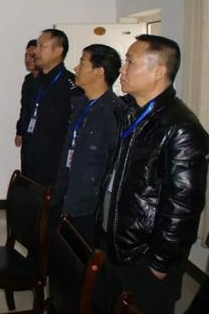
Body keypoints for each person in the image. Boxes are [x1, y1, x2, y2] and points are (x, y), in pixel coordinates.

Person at [99, 34, 209, 313]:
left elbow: (184, 206)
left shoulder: (181, 127)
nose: (122, 69)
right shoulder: (131, 112)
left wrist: (159, 263)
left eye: (130, 62)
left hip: (144, 255)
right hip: (118, 243)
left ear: (158, 71)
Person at [52, 44, 121, 245]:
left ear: (99, 72)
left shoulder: (113, 113)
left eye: (82, 63)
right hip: (67, 193)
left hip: (89, 205)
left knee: (82, 255)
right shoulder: (80, 104)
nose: (76, 68)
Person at [21, 29, 81, 187]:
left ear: (58, 51)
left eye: (42, 46)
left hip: (54, 162)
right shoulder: (35, 81)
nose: (35, 51)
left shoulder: (71, 86)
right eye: (37, 46)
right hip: (31, 156)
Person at [14, 39, 39, 148]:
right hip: (27, 135)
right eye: (26, 56)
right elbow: (24, 108)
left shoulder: (48, 82)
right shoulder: (28, 80)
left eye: (33, 56)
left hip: (42, 137)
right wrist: (19, 132)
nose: (28, 60)